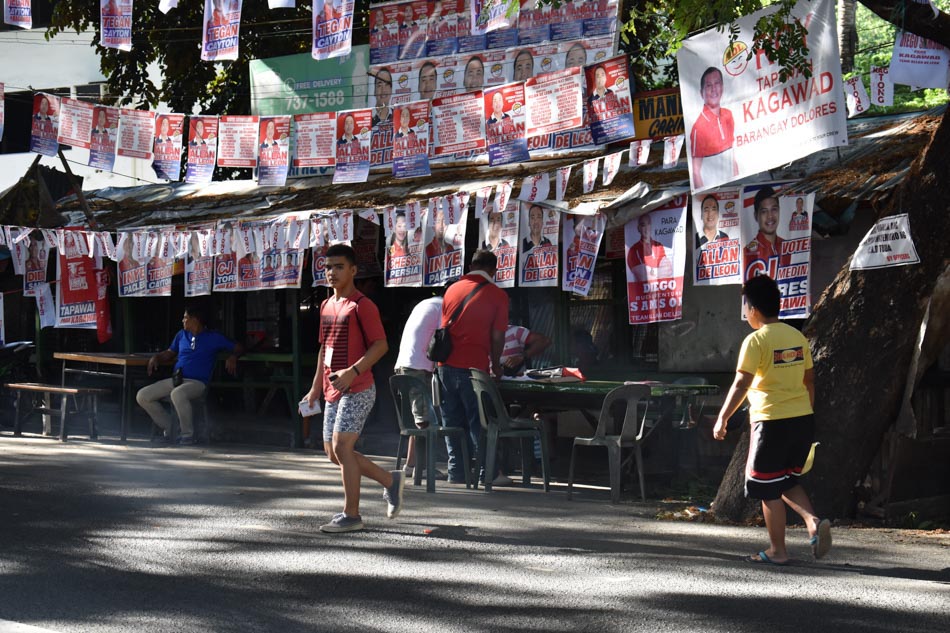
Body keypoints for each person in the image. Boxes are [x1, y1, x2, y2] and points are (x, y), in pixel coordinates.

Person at [713, 274, 831, 565]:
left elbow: (741, 384)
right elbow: (810, 381)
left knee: (766, 488)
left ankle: (778, 551)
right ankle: (813, 522)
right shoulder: (797, 337)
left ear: (752, 309)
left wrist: (722, 418)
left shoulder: (756, 340)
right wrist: (806, 410)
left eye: (746, 307)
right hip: (802, 419)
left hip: (770, 422)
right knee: (787, 479)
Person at [302, 243, 401, 534]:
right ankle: (391, 482)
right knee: (333, 453)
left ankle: (352, 515)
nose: (332, 272)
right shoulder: (325, 305)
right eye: (328, 267)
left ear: (354, 270)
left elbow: (381, 345)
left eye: (339, 267)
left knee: (343, 447)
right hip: (332, 389)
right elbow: (324, 348)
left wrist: (354, 370)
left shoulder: (362, 305)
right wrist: (314, 389)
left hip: (358, 386)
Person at [438, 249, 509, 484]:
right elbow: (498, 337)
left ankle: (457, 472)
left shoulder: (451, 290)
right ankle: (486, 472)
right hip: (474, 369)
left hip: (444, 367)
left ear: (471, 265)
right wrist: (497, 367)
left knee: (452, 422)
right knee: (478, 423)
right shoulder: (497, 295)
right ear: (492, 269)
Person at [136, 306, 243, 445]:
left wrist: (234, 356)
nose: (183, 320)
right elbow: (169, 352)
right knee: (143, 395)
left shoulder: (214, 337)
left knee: (177, 394)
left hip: (197, 383)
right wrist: (156, 357)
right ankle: (172, 428)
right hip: (177, 379)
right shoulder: (181, 335)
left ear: (195, 320)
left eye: (185, 317)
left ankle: (187, 434)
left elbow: (239, 347)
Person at [393, 295, 446, 480]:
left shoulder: (425, 304)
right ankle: (424, 468)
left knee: (415, 419)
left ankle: (411, 464)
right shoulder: (443, 306)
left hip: (404, 364)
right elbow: (445, 337)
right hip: (418, 367)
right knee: (425, 421)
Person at [689, 66, 738, 190]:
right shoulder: (698, 128)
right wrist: (705, 196)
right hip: (713, 192)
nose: (714, 89)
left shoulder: (728, 115)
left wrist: (738, 182)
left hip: (733, 187)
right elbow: (695, 171)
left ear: (722, 87)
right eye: (709, 86)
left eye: (717, 83)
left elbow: (732, 157)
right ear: (702, 93)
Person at [744, 185, 792, 276]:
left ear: (779, 211)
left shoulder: (788, 246)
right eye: (764, 211)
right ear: (756, 216)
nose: (770, 216)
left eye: (774, 209)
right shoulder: (747, 251)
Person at [627, 213, 673, 282]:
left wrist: (651, 271)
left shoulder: (659, 246)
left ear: (651, 226)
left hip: (660, 290)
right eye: (643, 225)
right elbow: (643, 276)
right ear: (638, 228)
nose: (646, 228)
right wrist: (659, 271)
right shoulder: (633, 250)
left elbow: (668, 271)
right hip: (642, 291)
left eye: (648, 224)